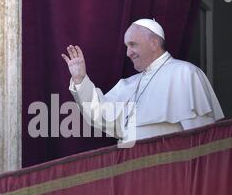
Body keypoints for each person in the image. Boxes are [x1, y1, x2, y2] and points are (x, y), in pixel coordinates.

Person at [61, 19, 224, 145]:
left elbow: (204, 137)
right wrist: (80, 79)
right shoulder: (128, 84)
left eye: (132, 44)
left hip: (172, 172)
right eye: (126, 46)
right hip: (133, 175)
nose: (128, 53)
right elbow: (99, 114)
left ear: (154, 43)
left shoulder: (184, 73)